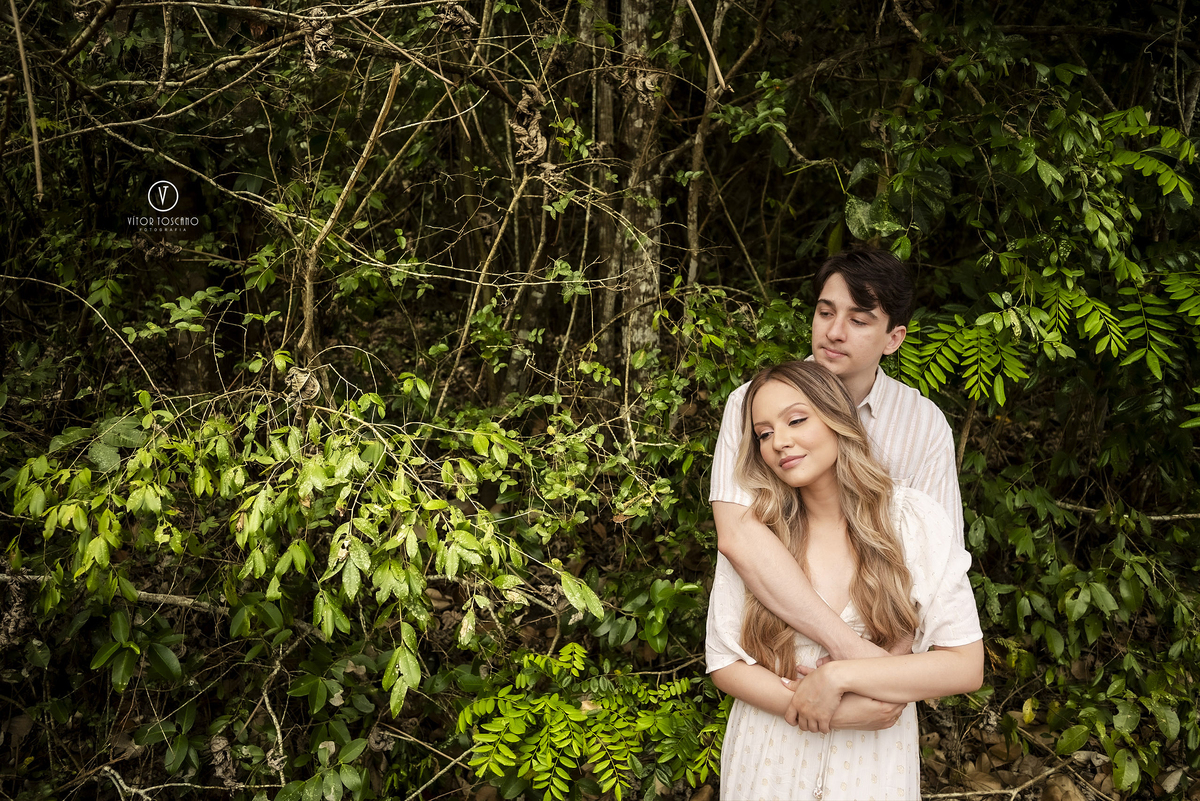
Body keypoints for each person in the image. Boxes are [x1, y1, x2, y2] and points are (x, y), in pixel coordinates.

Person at [710, 246, 962, 729]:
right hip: (779, 667)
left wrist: (880, 679)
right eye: (826, 312)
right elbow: (738, 536)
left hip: (884, 684)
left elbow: (935, 566)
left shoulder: (924, 425)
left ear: (894, 338)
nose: (834, 331)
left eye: (859, 320)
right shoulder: (752, 403)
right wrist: (850, 652)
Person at [706, 361, 983, 800]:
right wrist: (830, 712)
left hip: (874, 761)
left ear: (838, 419)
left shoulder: (911, 521)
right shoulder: (758, 532)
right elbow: (724, 663)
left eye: (797, 420)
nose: (779, 442)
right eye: (764, 433)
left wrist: (837, 678)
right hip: (770, 756)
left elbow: (966, 666)